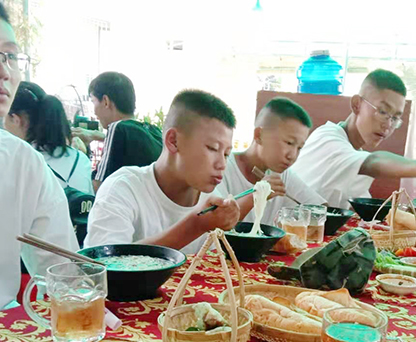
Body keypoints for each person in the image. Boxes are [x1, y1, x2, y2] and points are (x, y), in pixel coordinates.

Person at [0, 0, 77, 324]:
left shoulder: (24, 163)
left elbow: (63, 273)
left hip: (0, 340)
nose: (2, 70)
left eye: (10, 55)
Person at [84, 89, 240, 253]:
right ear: (173, 141)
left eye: (226, 154)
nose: (222, 164)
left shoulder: (214, 201)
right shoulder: (122, 189)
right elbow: (104, 262)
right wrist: (195, 225)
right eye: (213, 148)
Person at [292, 69, 416, 208]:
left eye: (395, 118)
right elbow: (372, 162)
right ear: (357, 104)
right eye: (383, 112)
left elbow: (361, 206)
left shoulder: (352, 154)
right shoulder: (327, 139)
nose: (388, 125)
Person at [218, 97, 326, 225]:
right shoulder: (221, 168)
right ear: (259, 135)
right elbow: (216, 222)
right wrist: (257, 195)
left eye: (299, 147)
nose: (292, 155)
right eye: (289, 143)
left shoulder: (281, 175)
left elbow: (321, 209)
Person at [5, 81, 94, 195]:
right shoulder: (81, 159)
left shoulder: (17, 163)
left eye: (4, 117)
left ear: (15, 119)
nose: (4, 125)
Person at [77, 72, 162, 190]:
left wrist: (80, 154)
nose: (94, 111)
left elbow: (98, 186)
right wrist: (98, 136)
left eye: (93, 101)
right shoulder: (153, 131)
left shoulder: (117, 128)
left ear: (105, 101)